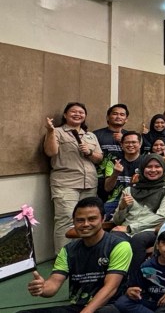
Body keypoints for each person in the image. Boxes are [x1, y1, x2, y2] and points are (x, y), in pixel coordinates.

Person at [23, 197, 129, 313]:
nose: (86, 224)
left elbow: (110, 288)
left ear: (102, 219)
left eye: (92, 219)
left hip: (110, 306)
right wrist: (42, 288)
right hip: (79, 307)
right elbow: (54, 283)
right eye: (80, 220)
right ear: (73, 222)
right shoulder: (68, 250)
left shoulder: (119, 246)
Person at [44, 102, 104, 252]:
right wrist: (50, 131)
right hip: (65, 183)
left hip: (89, 184)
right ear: (65, 115)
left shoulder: (90, 135)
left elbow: (99, 158)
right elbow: (50, 152)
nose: (77, 114)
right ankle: (63, 259)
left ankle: (82, 255)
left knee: (87, 221)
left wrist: (89, 152)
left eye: (81, 112)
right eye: (73, 111)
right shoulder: (57, 132)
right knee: (66, 220)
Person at [111, 154, 165, 274]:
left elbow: (160, 217)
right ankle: (114, 277)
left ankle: (133, 278)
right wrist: (122, 207)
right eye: (149, 166)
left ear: (163, 168)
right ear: (142, 169)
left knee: (139, 239)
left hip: (153, 229)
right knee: (114, 237)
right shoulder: (129, 190)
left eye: (157, 166)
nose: (153, 170)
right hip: (126, 229)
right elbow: (117, 221)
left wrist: (130, 228)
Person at [113, 220, 165, 313]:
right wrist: (131, 291)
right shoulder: (147, 266)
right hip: (153, 303)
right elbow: (134, 287)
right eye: (164, 242)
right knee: (123, 302)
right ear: (157, 244)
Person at [103, 131, 146, 217]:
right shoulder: (113, 162)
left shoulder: (147, 162)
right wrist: (115, 173)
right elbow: (107, 188)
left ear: (140, 144)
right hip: (115, 201)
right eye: (127, 142)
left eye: (134, 142)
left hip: (139, 200)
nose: (130, 145)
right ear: (121, 145)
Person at [93, 104, 129, 203]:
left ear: (126, 119)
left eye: (122, 114)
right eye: (115, 114)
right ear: (108, 117)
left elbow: (136, 154)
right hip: (99, 177)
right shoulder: (96, 135)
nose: (118, 116)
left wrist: (123, 140)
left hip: (123, 176)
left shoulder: (130, 136)